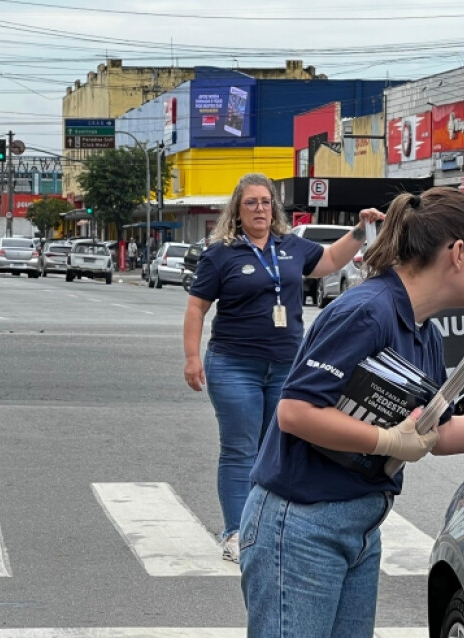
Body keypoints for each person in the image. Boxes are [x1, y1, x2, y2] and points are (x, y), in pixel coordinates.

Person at [239, 187, 464, 638]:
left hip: (359, 523)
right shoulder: (367, 311)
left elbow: (441, 433)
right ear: (457, 252)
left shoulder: (424, 332)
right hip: (301, 524)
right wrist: (388, 442)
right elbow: (296, 412)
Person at [182, 172, 377, 564]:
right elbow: (196, 308)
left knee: (279, 448)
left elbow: (329, 261)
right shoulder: (221, 253)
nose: (259, 209)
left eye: (265, 202)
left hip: (287, 367)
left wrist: (360, 229)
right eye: (251, 202)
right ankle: (237, 531)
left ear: (275, 208)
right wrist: (191, 358)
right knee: (240, 450)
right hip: (234, 365)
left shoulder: (289, 247)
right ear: (237, 209)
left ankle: (269, 525)